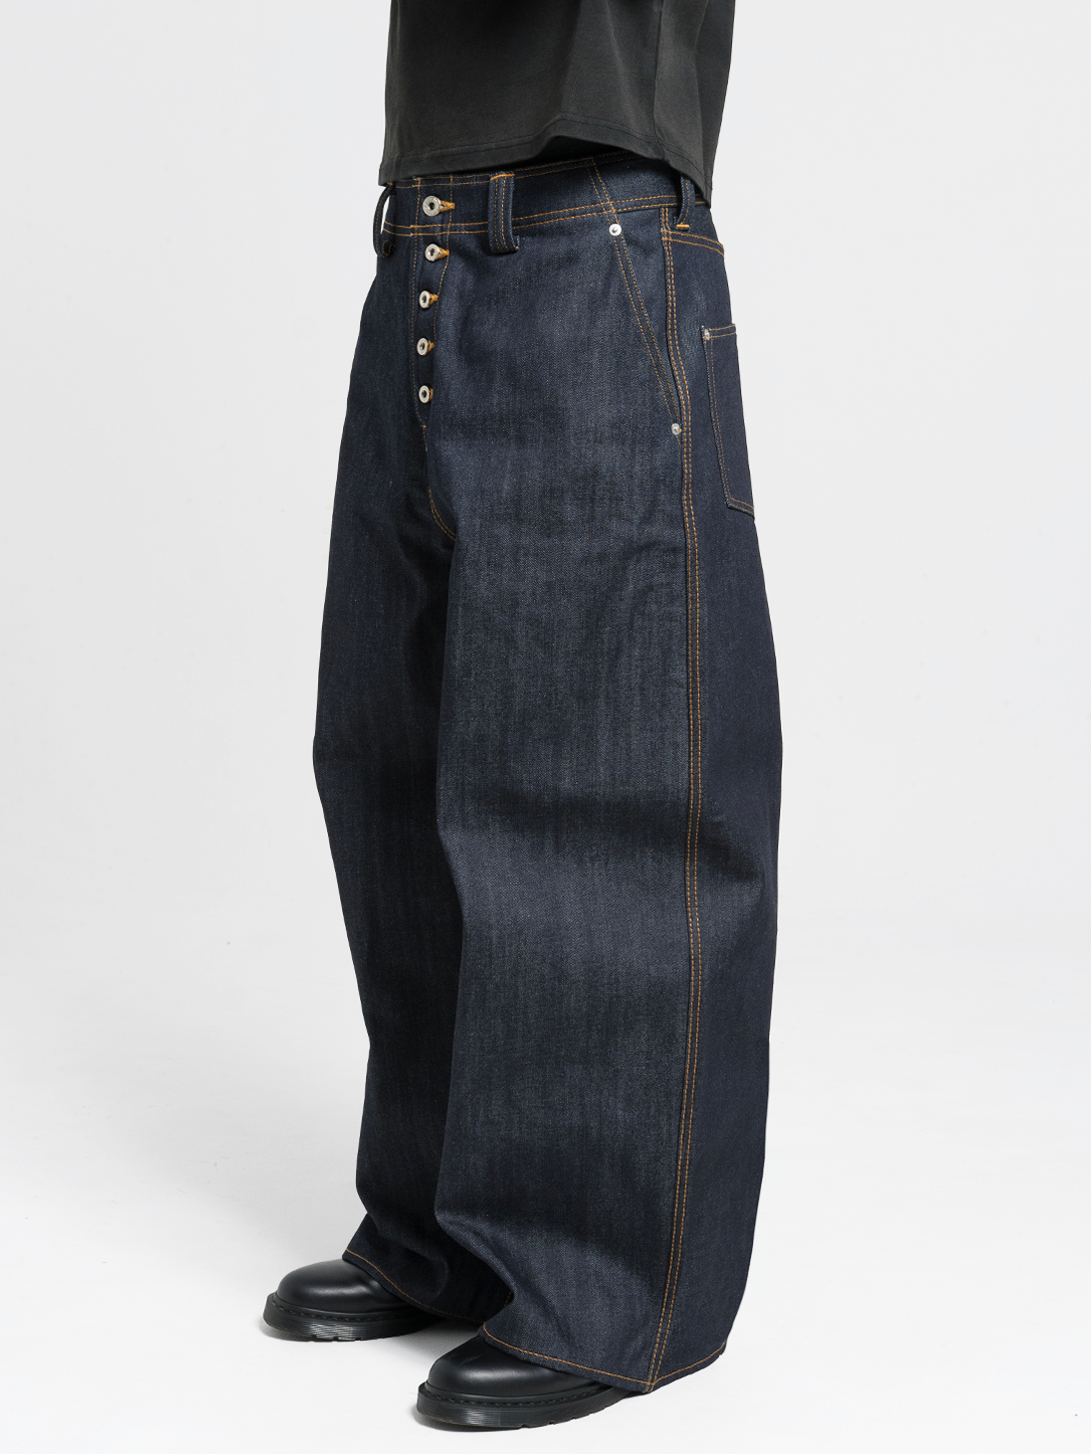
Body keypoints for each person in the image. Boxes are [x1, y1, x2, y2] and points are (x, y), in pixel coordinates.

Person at [263, 0, 781, 1430]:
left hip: (593, 230)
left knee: (601, 783)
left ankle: (613, 1294)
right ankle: (442, 1229)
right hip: (421, 241)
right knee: (395, 761)